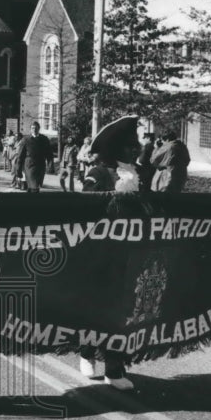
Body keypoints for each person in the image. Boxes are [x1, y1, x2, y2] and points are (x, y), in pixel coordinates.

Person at [76, 116, 143, 389]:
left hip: (129, 252)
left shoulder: (140, 173)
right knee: (95, 308)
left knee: (122, 311)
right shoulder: (100, 172)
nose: (135, 149)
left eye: (135, 144)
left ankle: (114, 369)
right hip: (99, 252)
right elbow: (86, 210)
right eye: (129, 145)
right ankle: (86, 352)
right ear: (116, 149)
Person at [15, 121, 50, 193]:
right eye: (32, 128)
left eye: (36, 128)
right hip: (29, 165)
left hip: (40, 166)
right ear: (30, 129)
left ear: (39, 128)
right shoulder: (26, 139)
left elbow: (49, 154)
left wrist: (50, 166)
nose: (34, 129)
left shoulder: (44, 139)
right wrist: (18, 169)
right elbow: (20, 155)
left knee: (34, 186)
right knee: (34, 186)